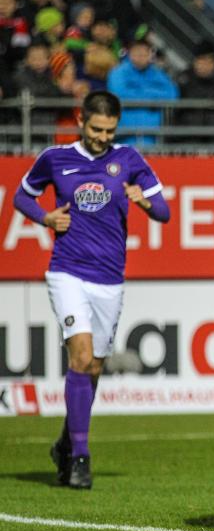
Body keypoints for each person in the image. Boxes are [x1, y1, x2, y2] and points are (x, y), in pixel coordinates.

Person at [13, 91, 171, 489]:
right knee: (81, 356)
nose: (102, 137)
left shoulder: (129, 160)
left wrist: (145, 202)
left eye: (109, 131)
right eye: (96, 129)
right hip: (67, 271)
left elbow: (165, 211)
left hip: (110, 278)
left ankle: (66, 442)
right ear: (81, 121)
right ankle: (81, 456)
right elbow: (21, 196)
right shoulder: (55, 158)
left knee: (95, 367)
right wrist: (46, 217)